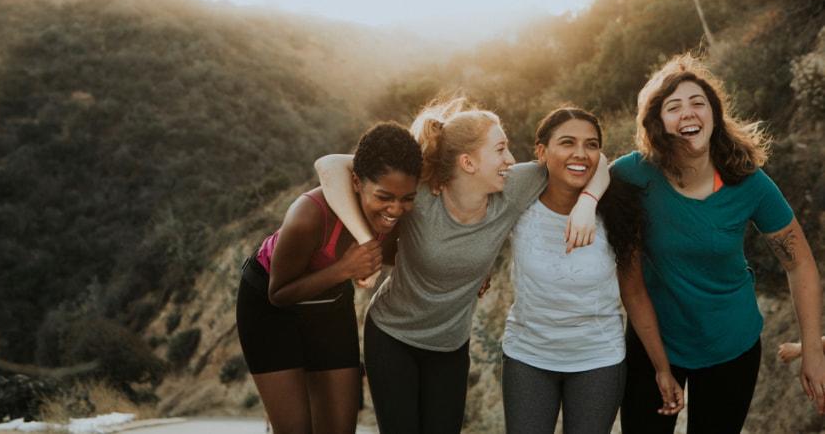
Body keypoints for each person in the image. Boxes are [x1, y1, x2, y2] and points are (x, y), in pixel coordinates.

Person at [314, 97, 609, 434]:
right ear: (468, 162)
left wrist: (587, 203)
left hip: (450, 347)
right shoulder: (421, 192)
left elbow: (592, 162)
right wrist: (366, 241)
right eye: (500, 150)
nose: (511, 160)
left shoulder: (513, 187)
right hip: (392, 336)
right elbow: (329, 166)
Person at [614, 53, 825, 434]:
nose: (689, 112)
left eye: (699, 103)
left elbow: (800, 264)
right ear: (658, 122)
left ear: (714, 114)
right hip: (654, 343)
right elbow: (587, 171)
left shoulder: (748, 181)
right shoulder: (634, 173)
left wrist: (812, 352)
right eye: (673, 106)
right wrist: (584, 204)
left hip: (732, 345)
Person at [501, 107, 684, 434]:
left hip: (598, 360)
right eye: (567, 143)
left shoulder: (618, 213)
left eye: (591, 144)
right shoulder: (519, 200)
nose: (580, 154)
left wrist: (662, 368)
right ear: (541, 152)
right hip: (527, 355)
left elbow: (635, 293)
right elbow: (476, 224)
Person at [235, 121, 422, 434]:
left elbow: (402, 255)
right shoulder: (309, 215)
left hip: (330, 306)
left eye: (407, 198)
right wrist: (344, 270)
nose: (395, 209)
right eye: (385, 196)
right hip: (269, 310)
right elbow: (278, 294)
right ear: (357, 182)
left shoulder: (395, 217)